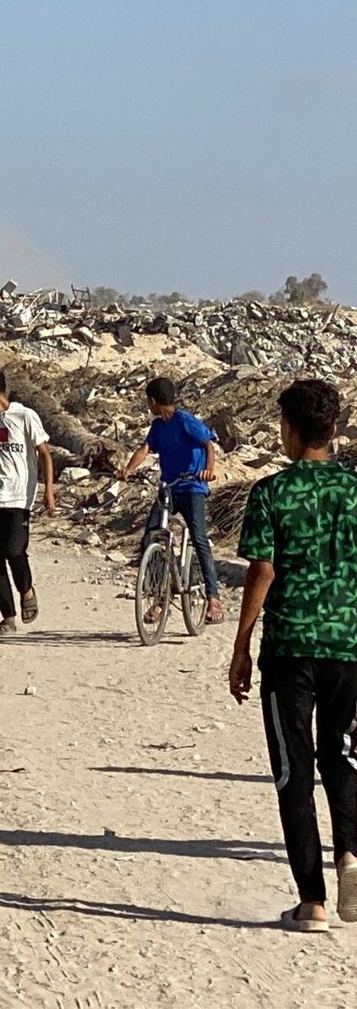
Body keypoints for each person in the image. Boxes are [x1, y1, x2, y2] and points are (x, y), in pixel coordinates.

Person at [230, 379, 357, 933]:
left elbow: (262, 571)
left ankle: (313, 903)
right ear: (334, 429)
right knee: (342, 755)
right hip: (349, 645)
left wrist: (240, 646)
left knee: (293, 769)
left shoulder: (272, 493)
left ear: (288, 428)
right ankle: (351, 858)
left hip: (289, 650)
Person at [120, 376, 224, 625]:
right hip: (168, 487)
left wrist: (208, 471)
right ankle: (158, 598)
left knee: (199, 537)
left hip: (192, 487)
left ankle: (214, 598)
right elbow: (145, 449)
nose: (148, 405)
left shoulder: (185, 421)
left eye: (148, 401)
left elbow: (208, 444)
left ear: (153, 401)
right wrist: (128, 469)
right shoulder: (158, 426)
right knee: (152, 535)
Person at [0, 368, 55, 637]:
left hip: (19, 497)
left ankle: (26, 588)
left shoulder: (25, 416)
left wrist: (48, 490)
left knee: (15, 551)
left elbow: (44, 454)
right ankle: (7, 617)